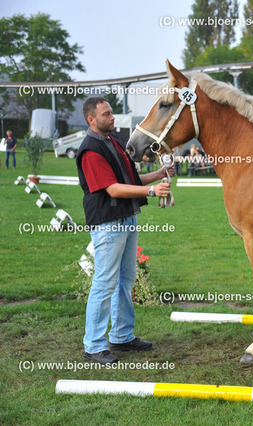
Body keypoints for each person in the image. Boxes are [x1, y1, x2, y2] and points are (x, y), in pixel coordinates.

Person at [76, 97, 174, 365]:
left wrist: (159, 174)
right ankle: (94, 346)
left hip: (127, 218)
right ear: (91, 119)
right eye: (106, 114)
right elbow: (112, 189)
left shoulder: (113, 143)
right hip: (108, 223)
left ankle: (121, 335)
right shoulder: (91, 150)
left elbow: (130, 181)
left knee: (126, 280)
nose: (112, 118)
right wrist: (152, 191)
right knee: (105, 283)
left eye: (112, 113)